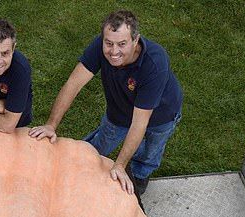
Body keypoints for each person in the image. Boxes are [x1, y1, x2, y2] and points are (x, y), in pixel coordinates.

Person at [29, 10, 182, 195]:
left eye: (122, 44)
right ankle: (80, 166)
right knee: (99, 145)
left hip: (161, 115)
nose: (114, 51)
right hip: (118, 112)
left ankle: (140, 174)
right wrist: (51, 125)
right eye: (108, 43)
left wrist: (119, 165)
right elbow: (73, 84)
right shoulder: (100, 46)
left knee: (151, 150)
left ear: (136, 41)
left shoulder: (154, 64)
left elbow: (139, 122)